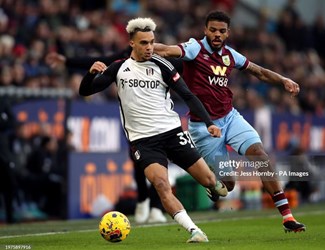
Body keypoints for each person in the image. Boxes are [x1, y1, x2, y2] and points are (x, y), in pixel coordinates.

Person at [154, 10, 306, 232]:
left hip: (230, 117)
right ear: (205, 30)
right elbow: (169, 51)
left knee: (260, 155)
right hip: (203, 126)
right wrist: (147, 48)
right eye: (213, 30)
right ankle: (212, 184)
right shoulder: (195, 48)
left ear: (227, 33)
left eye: (221, 31)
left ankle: (287, 217)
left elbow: (260, 72)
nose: (217, 34)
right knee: (229, 185)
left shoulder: (230, 55)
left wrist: (283, 80)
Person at [79, 17, 228, 243]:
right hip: (143, 141)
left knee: (208, 180)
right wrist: (90, 73)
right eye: (143, 43)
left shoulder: (163, 65)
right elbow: (86, 91)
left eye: (151, 42)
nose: (149, 47)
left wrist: (209, 123)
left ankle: (211, 185)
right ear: (132, 43)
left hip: (172, 132)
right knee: (160, 184)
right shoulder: (119, 68)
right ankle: (194, 231)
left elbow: (188, 95)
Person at [45, 50, 183, 223]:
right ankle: (142, 200)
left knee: (161, 164)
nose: (147, 45)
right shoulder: (125, 57)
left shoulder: (158, 59)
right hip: (135, 123)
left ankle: (155, 207)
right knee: (138, 162)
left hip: (158, 120)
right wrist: (67, 60)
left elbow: (185, 64)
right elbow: (99, 61)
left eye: (149, 39)